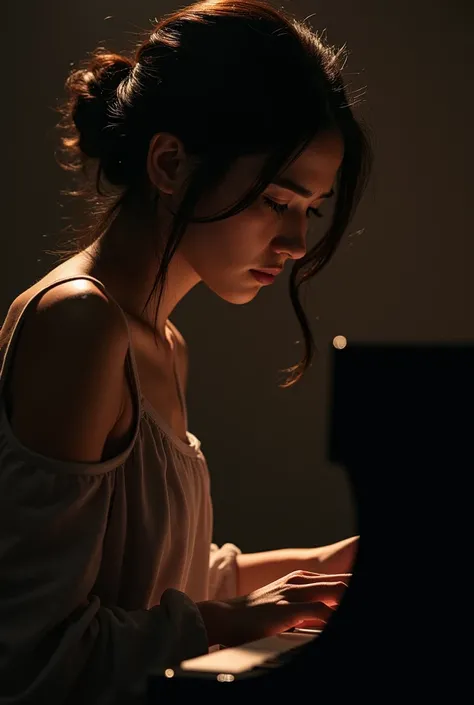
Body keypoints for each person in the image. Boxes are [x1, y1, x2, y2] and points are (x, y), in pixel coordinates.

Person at [0, 0, 372, 702]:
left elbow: (152, 581)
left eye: (310, 210)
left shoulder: (163, 341)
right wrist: (232, 620)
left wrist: (323, 565)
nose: (295, 245)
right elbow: (29, 650)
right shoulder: (80, 322)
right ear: (169, 163)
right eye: (275, 200)